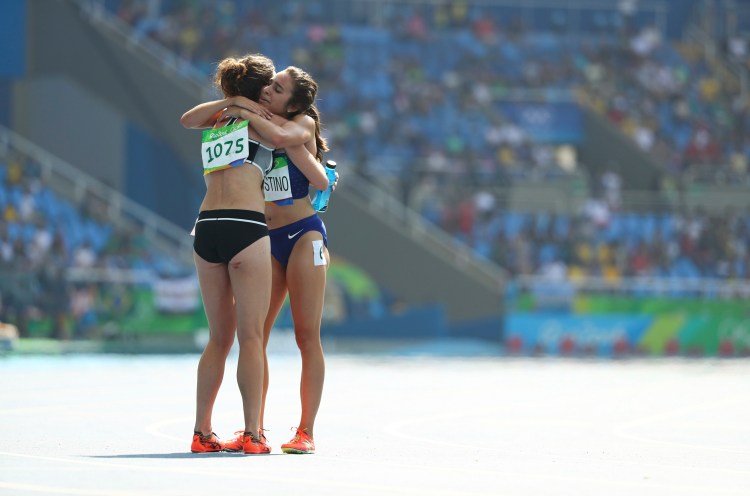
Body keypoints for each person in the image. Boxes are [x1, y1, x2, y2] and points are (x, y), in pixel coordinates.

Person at [183, 66, 333, 455]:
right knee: (256, 336)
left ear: (293, 103)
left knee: (305, 336)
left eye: (277, 88)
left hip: (302, 233)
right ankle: (254, 428)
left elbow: (316, 176)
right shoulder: (247, 123)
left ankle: (305, 430)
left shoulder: (297, 123)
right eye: (268, 85)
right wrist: (241, 107)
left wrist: (253, 115)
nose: (268, 91)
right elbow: (191, 121)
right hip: (261, 235)